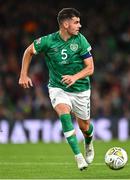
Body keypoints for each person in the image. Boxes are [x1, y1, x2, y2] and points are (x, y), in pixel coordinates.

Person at [19, 8, 94, 171]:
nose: (79, 25)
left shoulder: (81, 41)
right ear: (65, 24)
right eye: (76, 22)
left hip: (80, 89)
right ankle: (78, 156)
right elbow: (28, 51)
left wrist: (74, 77)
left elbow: (90, 68)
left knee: (85, 127)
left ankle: (88, 141)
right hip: (58, 87)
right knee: (63, 114)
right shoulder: (48, 41)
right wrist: (23, 75)